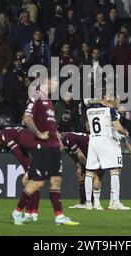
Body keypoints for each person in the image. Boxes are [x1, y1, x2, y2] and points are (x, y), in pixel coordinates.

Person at [11, 75, 79, 226]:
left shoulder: (48, 101)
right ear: (46, 81)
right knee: (38, 182)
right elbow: (27, 118)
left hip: (53, 146)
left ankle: (59, 216)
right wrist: (38, 134)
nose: (56, 84)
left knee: (56, 180)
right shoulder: (36, 97)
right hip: (43, 148)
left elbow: (51, 126)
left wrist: (58, 141)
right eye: (55, 81)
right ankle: (17, 211)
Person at [84, 96, 131, 211]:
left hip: (93, 141)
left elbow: (87, 127)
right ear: (110, 99)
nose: (119, 102)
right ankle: (114, 202)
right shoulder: (111, 110)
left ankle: (91, 203)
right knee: (115, 170)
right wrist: (125, 132)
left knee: (91, 172)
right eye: (118, 100)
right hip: (107, 141)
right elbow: (117, 127)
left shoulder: (89, 110)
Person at [0, 126, 41, 222]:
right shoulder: (8, 134)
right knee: (31, 182)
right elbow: (24, 155)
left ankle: (28, 213)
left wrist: (28, 170)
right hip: (41, 148)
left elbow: (21, 156)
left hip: (41, 148)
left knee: (28, 181)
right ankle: (32, 213)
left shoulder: (5, 136)